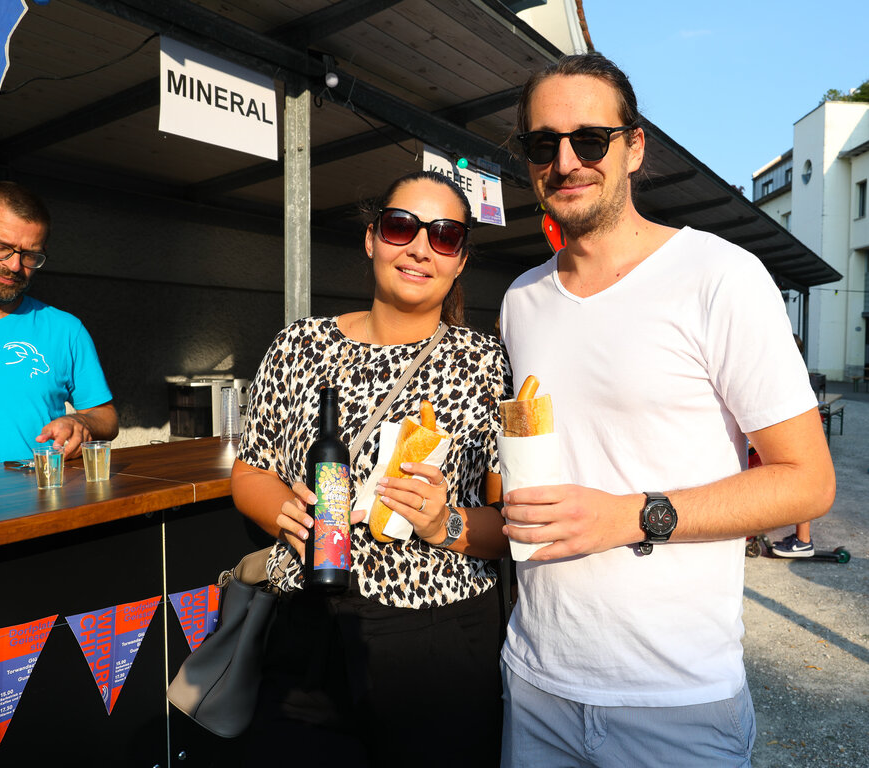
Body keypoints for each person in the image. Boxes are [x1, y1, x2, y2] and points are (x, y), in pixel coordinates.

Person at [498, 53, 835, 767]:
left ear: (634, 148)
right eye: (542, 143)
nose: (566, 161)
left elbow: (807, 481)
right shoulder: (520, 300)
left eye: (590, 140)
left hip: (675, 704)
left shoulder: (720, 277)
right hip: (534, 688)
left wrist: (628, 515)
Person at [231, 170, 512, 766]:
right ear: (371, 239)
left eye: (444, 236)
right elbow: (250, 471)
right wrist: (285, 513)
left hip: (436, 640)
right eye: (401, 226)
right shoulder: (298, 346)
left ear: (460, 261)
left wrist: (446, 525)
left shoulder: (485, 363)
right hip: (307, 624)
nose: (418, 247)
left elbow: (507, 523)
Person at [0, 181, 118, 470]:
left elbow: (106, 416)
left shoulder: (65, 330)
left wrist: (80, 421)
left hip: (37, 507)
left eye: (30, 255)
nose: (14, 266)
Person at [771, 333, 816, 557]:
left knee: (800, 486)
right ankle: (801, 537)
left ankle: (803, 541)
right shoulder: (795, 369)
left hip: (798, 435)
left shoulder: (790, 372)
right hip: (800, 433)